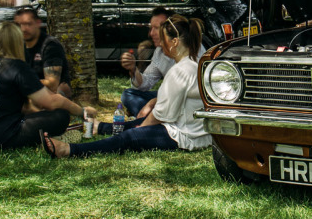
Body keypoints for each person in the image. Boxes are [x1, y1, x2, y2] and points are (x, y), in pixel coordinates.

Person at [44, 14, 209, 157]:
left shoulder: (179, 71)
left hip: (184, 136)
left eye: (163, 36)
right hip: (194, 131)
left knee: (129, 137)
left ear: (174, 42)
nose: (159, 40)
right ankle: (99, 127)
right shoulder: (193, 64)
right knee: (138, 122)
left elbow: (160, 116)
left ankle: (69, 150)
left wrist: (140, 129)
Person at [0, 22, 93, 152]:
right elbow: (52, 101)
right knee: (60, 115)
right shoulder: (16, 66)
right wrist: (82, 111)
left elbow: (20, 107)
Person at [120, 6, 207, 117]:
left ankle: (151, 116)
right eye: (151, 28)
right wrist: (133, 69)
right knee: (128, 94)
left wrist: (154, 102)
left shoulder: (193, 50)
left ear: (170, 29)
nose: (151, 33)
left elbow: (189, 91)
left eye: (157, 28)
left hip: (186, 101)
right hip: (167, 100)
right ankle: (153, 115)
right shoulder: (159, 52)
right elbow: (146, 83)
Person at [13, 6, 73, 99]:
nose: (23, 29)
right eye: (18, 25)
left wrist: (18, 82)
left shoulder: (50, 45)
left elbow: (52, 84)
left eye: (28, 24)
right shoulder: (18, 45)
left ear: (38, 23)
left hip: (51, 97)